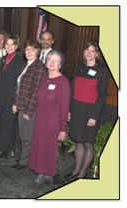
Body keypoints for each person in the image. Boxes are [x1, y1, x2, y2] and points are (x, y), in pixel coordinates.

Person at [65, 40, 109, 180]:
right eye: (87, 50)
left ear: (97, 54)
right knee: (78, 141)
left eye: (92, 51)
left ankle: (83, 172)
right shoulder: (79, 67)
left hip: (91, 112)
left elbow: (102, 96)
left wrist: (94, 116)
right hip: (77, 109)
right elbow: (72, 91)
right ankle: (76, 169)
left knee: (88, 142)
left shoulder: (102, 71)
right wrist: (69, 110)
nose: (89, 53)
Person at [29, 50, 71, 186]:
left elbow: (65, 107)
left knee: (48, 147)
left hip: (53, 121)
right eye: (49, 59)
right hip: (41, 118)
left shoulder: (63, 82)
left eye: (55, 60)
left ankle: (46, 174)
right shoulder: (44, 78)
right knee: (40, 145)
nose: (52, 62)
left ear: (60, 64)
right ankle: (43, 173)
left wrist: (62, 128)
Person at [11, 40, 46, 169]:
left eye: (33, 50)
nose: (29, 52)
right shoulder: (26, 65)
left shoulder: (39, 67)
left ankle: (25, 162)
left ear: (38, 52)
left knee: (27, 136)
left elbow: (36, 92)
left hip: (30, 108)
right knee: (22, 135)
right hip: (21, 105)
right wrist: (15, 103)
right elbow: (19, 86)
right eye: (27, 49)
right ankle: (24, 158)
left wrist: (28, 111)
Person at [0, 34, 25, 159]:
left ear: (17, 46)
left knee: (7, 124)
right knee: (10, 124)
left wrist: (15, 102)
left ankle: (3, 149)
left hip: (12, 98)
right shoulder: (4, 58)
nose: (9, 47)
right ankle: (11, 148)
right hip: (3, 96)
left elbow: (19, 84)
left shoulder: (19, 61)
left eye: (12, 44)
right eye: (7, 44)